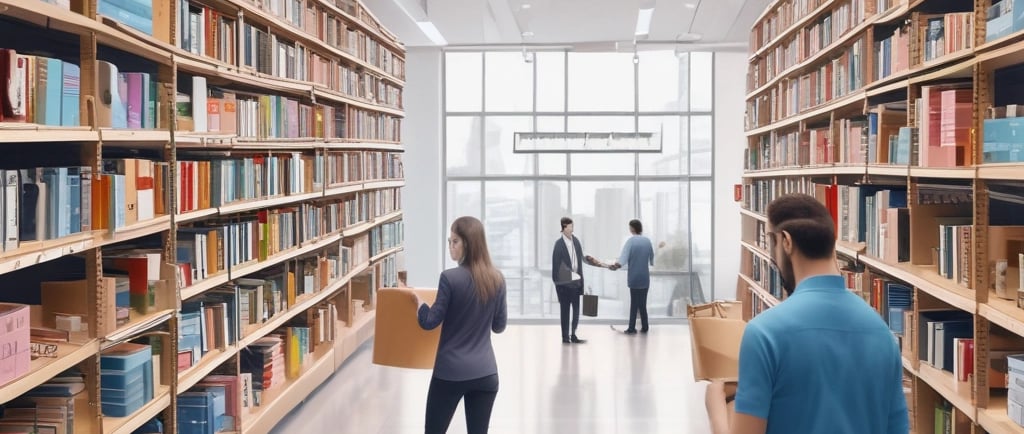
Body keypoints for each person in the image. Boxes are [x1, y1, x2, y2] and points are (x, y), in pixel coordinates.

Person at [707, 193, 908, 433]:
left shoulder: (764, 334)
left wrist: (715, 407)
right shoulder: (883, 334)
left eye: (770, 241)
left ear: (786, 241)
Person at [412, 216, 508, 434]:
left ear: (468, 244)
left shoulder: (449, 278)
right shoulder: (497, 279)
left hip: (450, 373)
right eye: (449, 241)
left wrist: (420, 305)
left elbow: (429, 322)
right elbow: (498, 326)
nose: (450, 246)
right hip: (486, 374)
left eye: (454, 241)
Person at [551, 217, 606, 344]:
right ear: (564, 227)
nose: (572, 228)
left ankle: (573, 334)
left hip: (576, 282)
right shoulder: (558, 245)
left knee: (576, 310)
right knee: (565, 311)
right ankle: (565, 337)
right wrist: (558, 285)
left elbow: (581, 257)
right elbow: (555, 266)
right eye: (570, 226)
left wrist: (593, 261)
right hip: (564, 284)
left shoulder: (576, 241)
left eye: (572, 226)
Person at [611, 219, 655, 334]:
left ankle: (631, 328)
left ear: (632, 228)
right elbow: (652, 259)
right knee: (643, 304)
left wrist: (616, 265)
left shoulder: (630, 242)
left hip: (634, 277)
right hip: (645, 277)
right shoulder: (647, 241)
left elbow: (623, 259)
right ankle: (645, 327)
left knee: (634, 304)